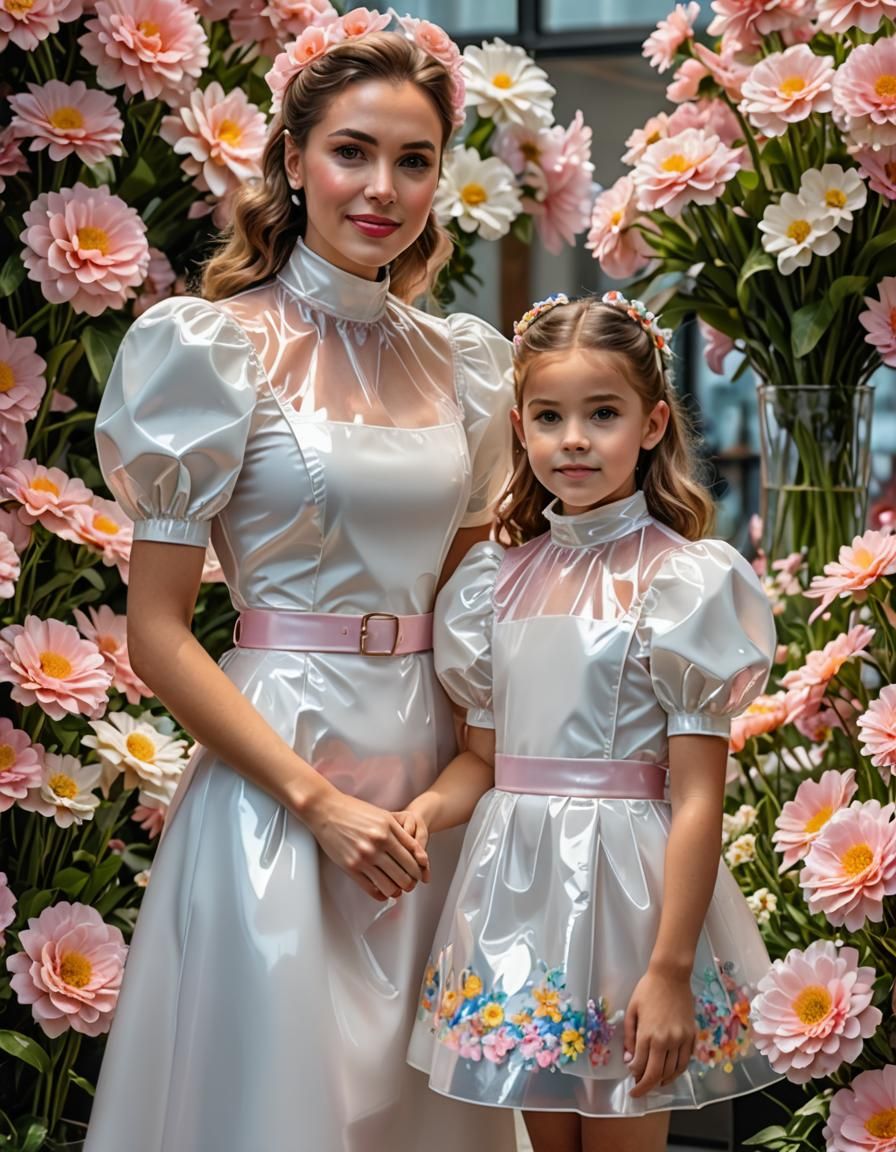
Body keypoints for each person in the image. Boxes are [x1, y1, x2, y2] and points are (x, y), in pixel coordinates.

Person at [86, 15, 517, 1152]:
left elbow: (469, 612)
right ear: (291, 158)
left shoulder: (470, 367)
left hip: (428, 791)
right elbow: (157, 634)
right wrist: (316, 803)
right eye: (351, 151)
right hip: (277, 773)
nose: (382, 188)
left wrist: (470, 778)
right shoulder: (207, 348)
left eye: (414, 160)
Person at [403, 292, 781, 1152]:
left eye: (602, 414)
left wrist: (670, 968)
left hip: (628, 906)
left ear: (652, 425)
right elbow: (484, 760)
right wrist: (424, 811)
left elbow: (697, 799)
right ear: (519, 428)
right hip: (516, 902)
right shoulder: (492, 584)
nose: (573, 438)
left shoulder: (685, 582)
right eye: (550, 416)